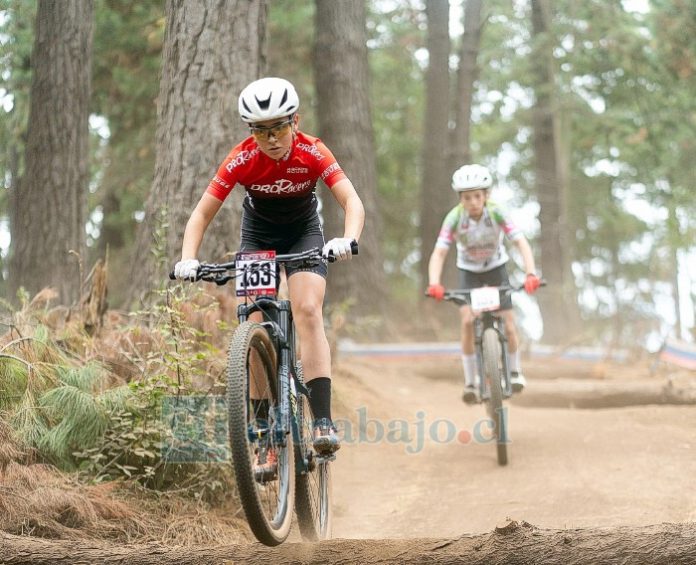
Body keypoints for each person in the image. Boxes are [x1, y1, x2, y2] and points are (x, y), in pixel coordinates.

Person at [173, 77, 365, 457]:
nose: (272, 138)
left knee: (307, 309)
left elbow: (351, 200)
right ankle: (263, 425)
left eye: (279, 127)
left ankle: (322, 420)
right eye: (261, 132)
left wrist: (347, 238)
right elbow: (201, 213)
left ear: (295, 122)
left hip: (304, 234)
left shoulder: (313, 151)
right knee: (255, 323)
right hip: (258, 237)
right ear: (251, 133)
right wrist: (187, 258)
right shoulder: (241, 158)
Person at [426, 164, 540, 404]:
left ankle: (515, 371)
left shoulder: (498, 212)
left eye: (478, 196)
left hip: (496, 269)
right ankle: (470, 381)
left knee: (509, 322)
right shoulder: (455, 218)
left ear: (486, 195)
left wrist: (530, 273)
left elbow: (521, 243)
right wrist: (434, 283)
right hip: (468, 272)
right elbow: (439, 253)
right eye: (467, 197)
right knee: (467, 320)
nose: (473, 202)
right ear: (460, 199)